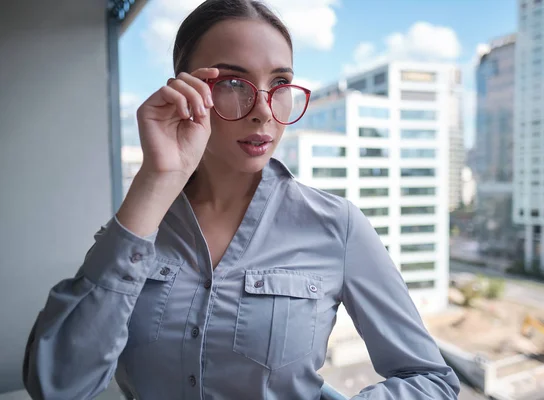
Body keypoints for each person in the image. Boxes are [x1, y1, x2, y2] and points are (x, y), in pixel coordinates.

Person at [22, 0, 460, 399]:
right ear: (186, 89)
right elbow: (57, 386)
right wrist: (156, 180)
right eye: (234, 82)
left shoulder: (335, 225)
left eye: (280, 83)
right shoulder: (140, 225)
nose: (264, 111)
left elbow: (432, 380)